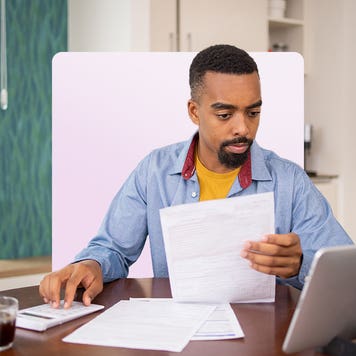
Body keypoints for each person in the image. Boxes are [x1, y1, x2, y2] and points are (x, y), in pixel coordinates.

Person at [40, 44, 353, 308]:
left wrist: (301, 265)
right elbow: (113, 249)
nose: (243, 128)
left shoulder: (290, 181)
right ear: (194, 111)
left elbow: (345, 272)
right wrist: (90, 265)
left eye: (253, 112)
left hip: (261, 338)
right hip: (177, 334)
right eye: (225, 115)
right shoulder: (155, 171)